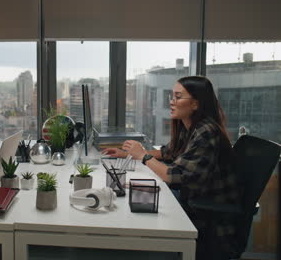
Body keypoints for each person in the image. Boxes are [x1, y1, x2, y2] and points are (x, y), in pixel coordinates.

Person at [103, 76, 240, 259]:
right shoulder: (190, 126)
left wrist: (143, 156)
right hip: (190, 201)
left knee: (133, 208)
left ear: (195, 104)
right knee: (132, 196)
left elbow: (175, 176)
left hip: (204, 216)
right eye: (172, 97)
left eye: (178, 97)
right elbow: (168, 152)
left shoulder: (206, 132)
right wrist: (126, 154)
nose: (172, 102)